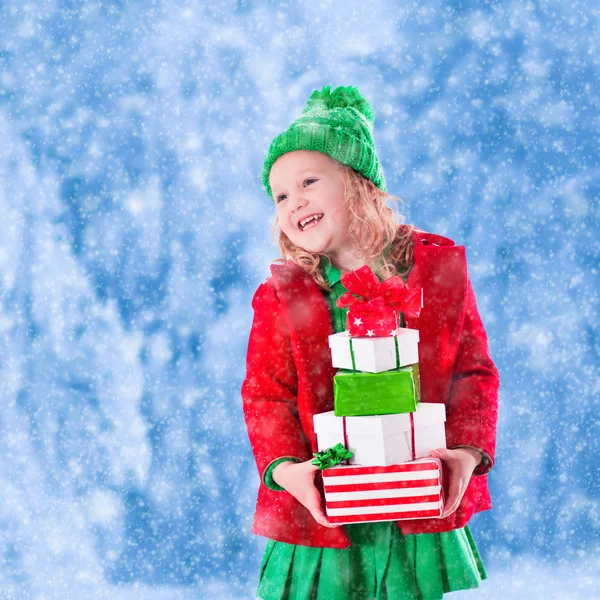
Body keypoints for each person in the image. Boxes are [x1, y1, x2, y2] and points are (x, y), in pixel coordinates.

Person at [242, 84, 499, 600]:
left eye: (309, 181)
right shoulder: (282, 295)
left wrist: (465, 454)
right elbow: (265, 395)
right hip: (324, 519)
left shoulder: (436, 271)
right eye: (281, 196)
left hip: (415, 503)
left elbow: (474, 373)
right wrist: (289, 470)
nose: (295, 202)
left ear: (359, 182)